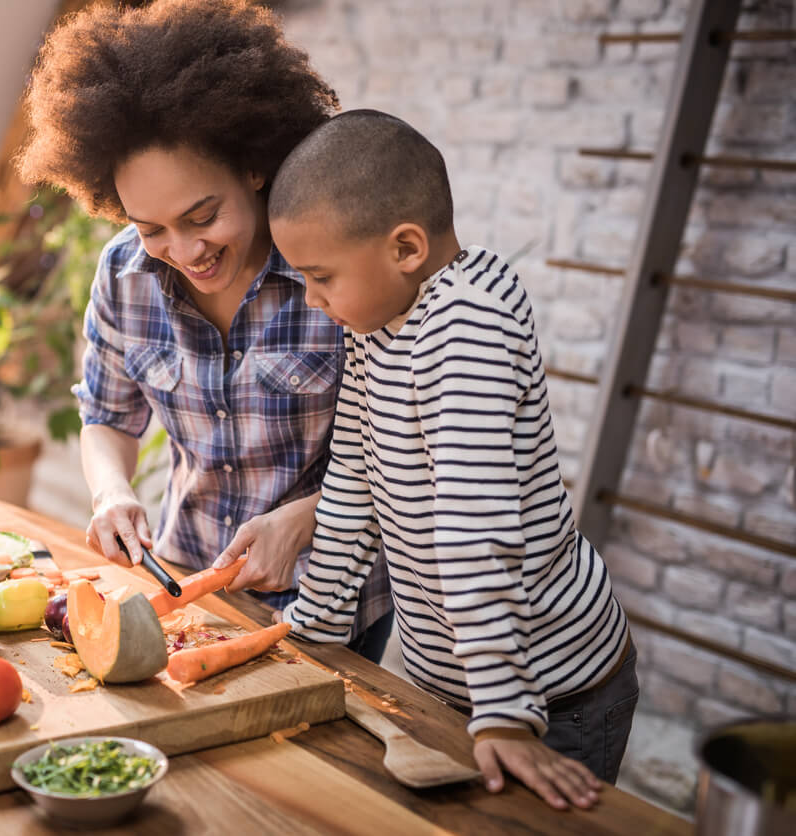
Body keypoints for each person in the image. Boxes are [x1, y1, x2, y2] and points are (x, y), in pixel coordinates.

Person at [267, 109, 638, 810]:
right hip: (463, 685)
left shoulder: (468, 326)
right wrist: (313, 626)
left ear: (405, 248)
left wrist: (504, 710)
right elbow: (352, 477)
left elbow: (476, 529)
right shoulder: (378, 320)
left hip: (552, 692)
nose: (315, 302)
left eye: (321, 278)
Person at [15, 0, 392, 658]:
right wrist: (111, 493)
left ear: (251, 167)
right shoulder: (124, 276)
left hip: (327, 598)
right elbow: (106, 415)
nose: (185, 250)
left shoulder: (330, 272)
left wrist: (309, 520)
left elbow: (403, 453)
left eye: (202, 215)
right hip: (188, 576)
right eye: (150, 226)